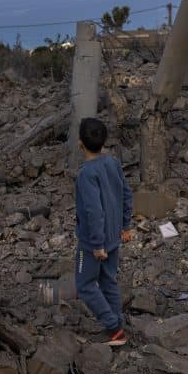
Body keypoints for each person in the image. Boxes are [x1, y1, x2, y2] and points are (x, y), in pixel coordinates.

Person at [75, 117, 133, 346]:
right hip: (113, 236)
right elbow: (126, 194)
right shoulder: (113, 163)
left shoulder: (86, 174)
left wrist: (96, 244)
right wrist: (125, 226)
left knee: (85, 285)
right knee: (108, 280)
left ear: (80, 143)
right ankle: (117, 324)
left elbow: (94, 211)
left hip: (92, 243)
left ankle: (112, 325)